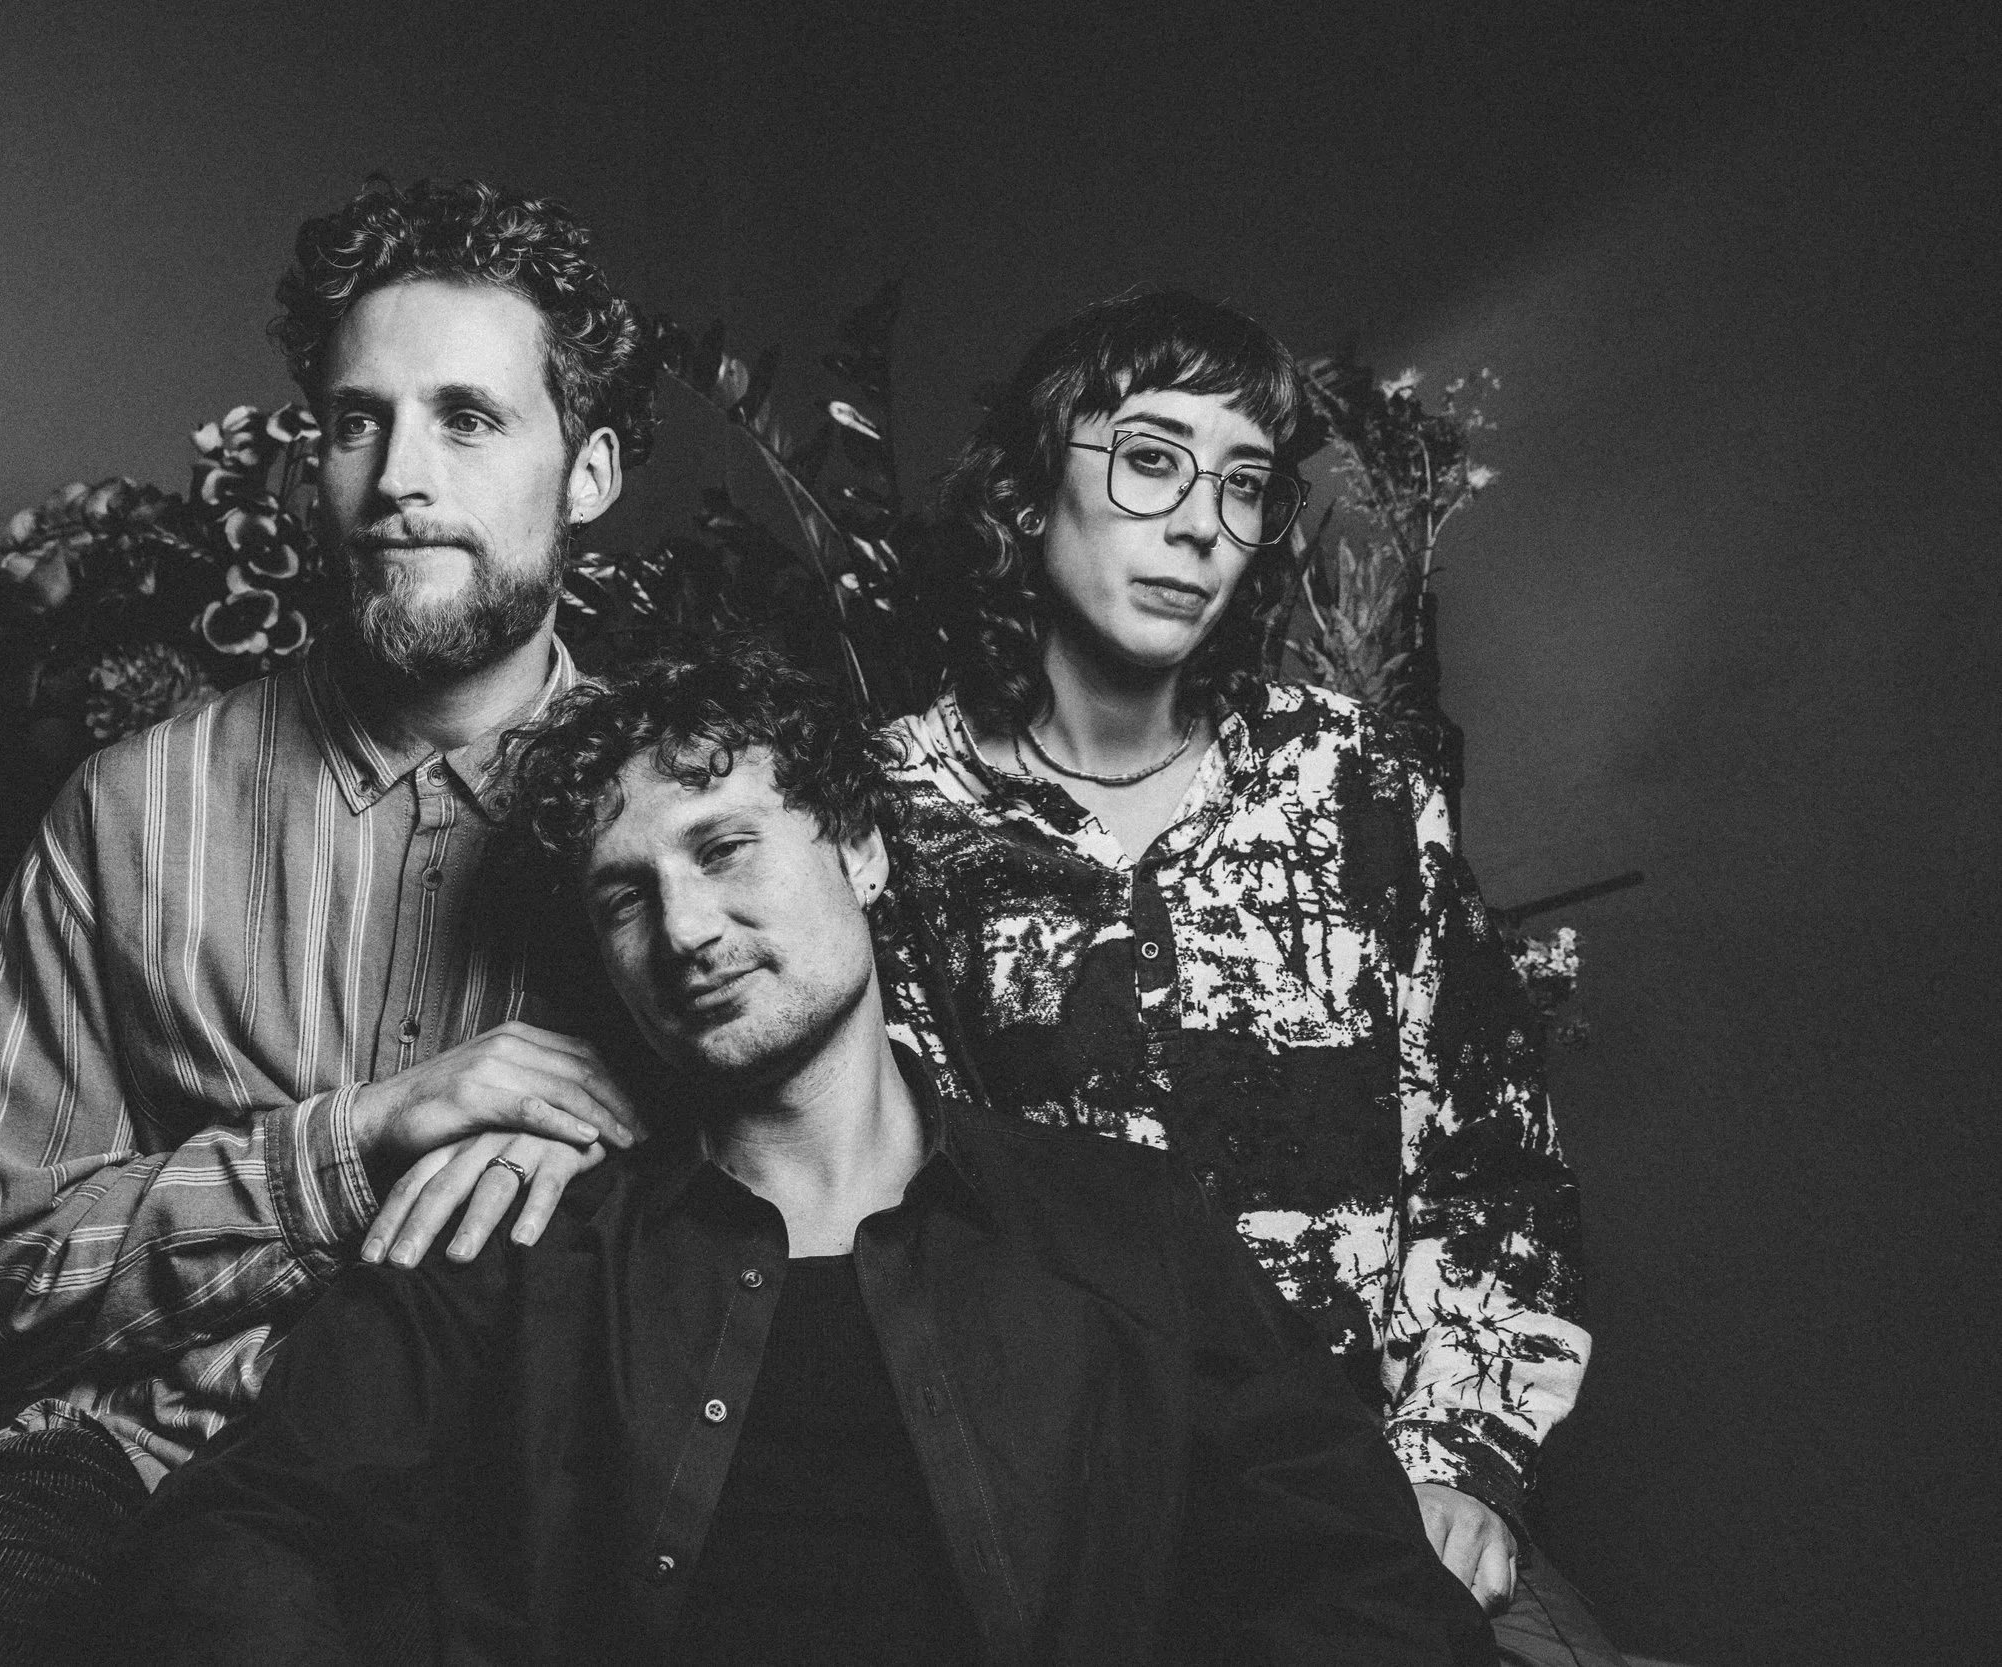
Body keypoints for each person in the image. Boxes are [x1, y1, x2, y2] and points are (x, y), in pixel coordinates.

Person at [96, 643, 1493, 1665]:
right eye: (625, 898)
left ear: (863, 851)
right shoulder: (512, 1240)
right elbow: (237, 1539)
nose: (686, 929)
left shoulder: (1118, 1225)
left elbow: (1357, 1583)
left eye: (725, 850)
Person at [0, 176, 663, 1666]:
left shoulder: (689, 827)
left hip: (522, 1488)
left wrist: (617, 1171)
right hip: (132, 1462)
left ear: (588, 471)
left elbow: (790, 1211)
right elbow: (3, 1273)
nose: (400, 478)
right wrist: (359, 1141)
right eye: (357, 422)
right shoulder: (131, 812)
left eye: (470, 419)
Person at [874, 286, 1624, 1665]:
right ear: (1031, 494)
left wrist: (1458, 1461)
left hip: (1368, 1506)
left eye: (1242, 483)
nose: (1200, 523)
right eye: (1151, 459)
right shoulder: (902, 817)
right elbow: (893, 1201)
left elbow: (1493, 1162)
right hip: (1065, 1533)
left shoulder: (1351, 779)